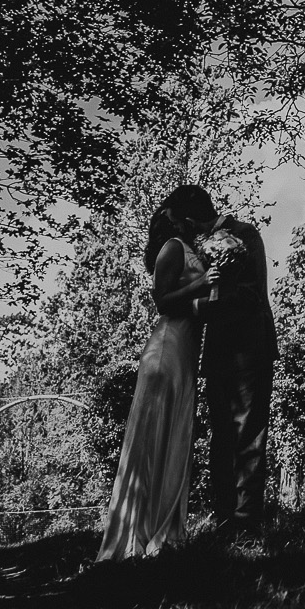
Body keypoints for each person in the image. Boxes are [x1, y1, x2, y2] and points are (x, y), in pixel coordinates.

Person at [94, 201, 211, 560]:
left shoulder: (193, 249)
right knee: (153, 436)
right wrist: (204, 284)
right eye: (184, 213)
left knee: (174, 434)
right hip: (167, 350)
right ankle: (138, 532)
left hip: (187, 350)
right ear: (173, 220)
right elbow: (162, 301)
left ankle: (163, 531)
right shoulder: (172, 248)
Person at [174, 185, 277, 532]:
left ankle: (247, 523)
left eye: (182, 226)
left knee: (248, 435)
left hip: (250, 348)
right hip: (218, 350)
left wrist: (199, 305)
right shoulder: (200, 248)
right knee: (221, 437)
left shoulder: (245, 234)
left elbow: (252, 294)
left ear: (190, 220)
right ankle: (223, 519)